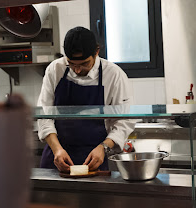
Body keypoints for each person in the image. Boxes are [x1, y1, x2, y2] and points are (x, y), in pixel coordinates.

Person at [37, 26, 135, 173]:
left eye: (84, 64)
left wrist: (104, 147)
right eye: (71, 64)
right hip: (57, 154)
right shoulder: (55, 69)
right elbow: (44, 114)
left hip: (96, 156)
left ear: (96, 52)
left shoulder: (114, 75)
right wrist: (57, 149)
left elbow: (124, 121)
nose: (77, 70)